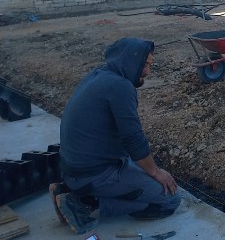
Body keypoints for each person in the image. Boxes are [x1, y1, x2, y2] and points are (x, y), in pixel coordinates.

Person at [51, 38, 180, 234]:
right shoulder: (121, 87)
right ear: (129, 61)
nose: (148, 72)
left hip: (74, 169)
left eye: (150, 65)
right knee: (169, 199)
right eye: (144, 65)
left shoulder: (99, 74)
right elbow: (133, 139)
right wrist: (155, 172)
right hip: (94, 174)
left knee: (141, 171)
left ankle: (72, 190)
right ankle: (85, 202)